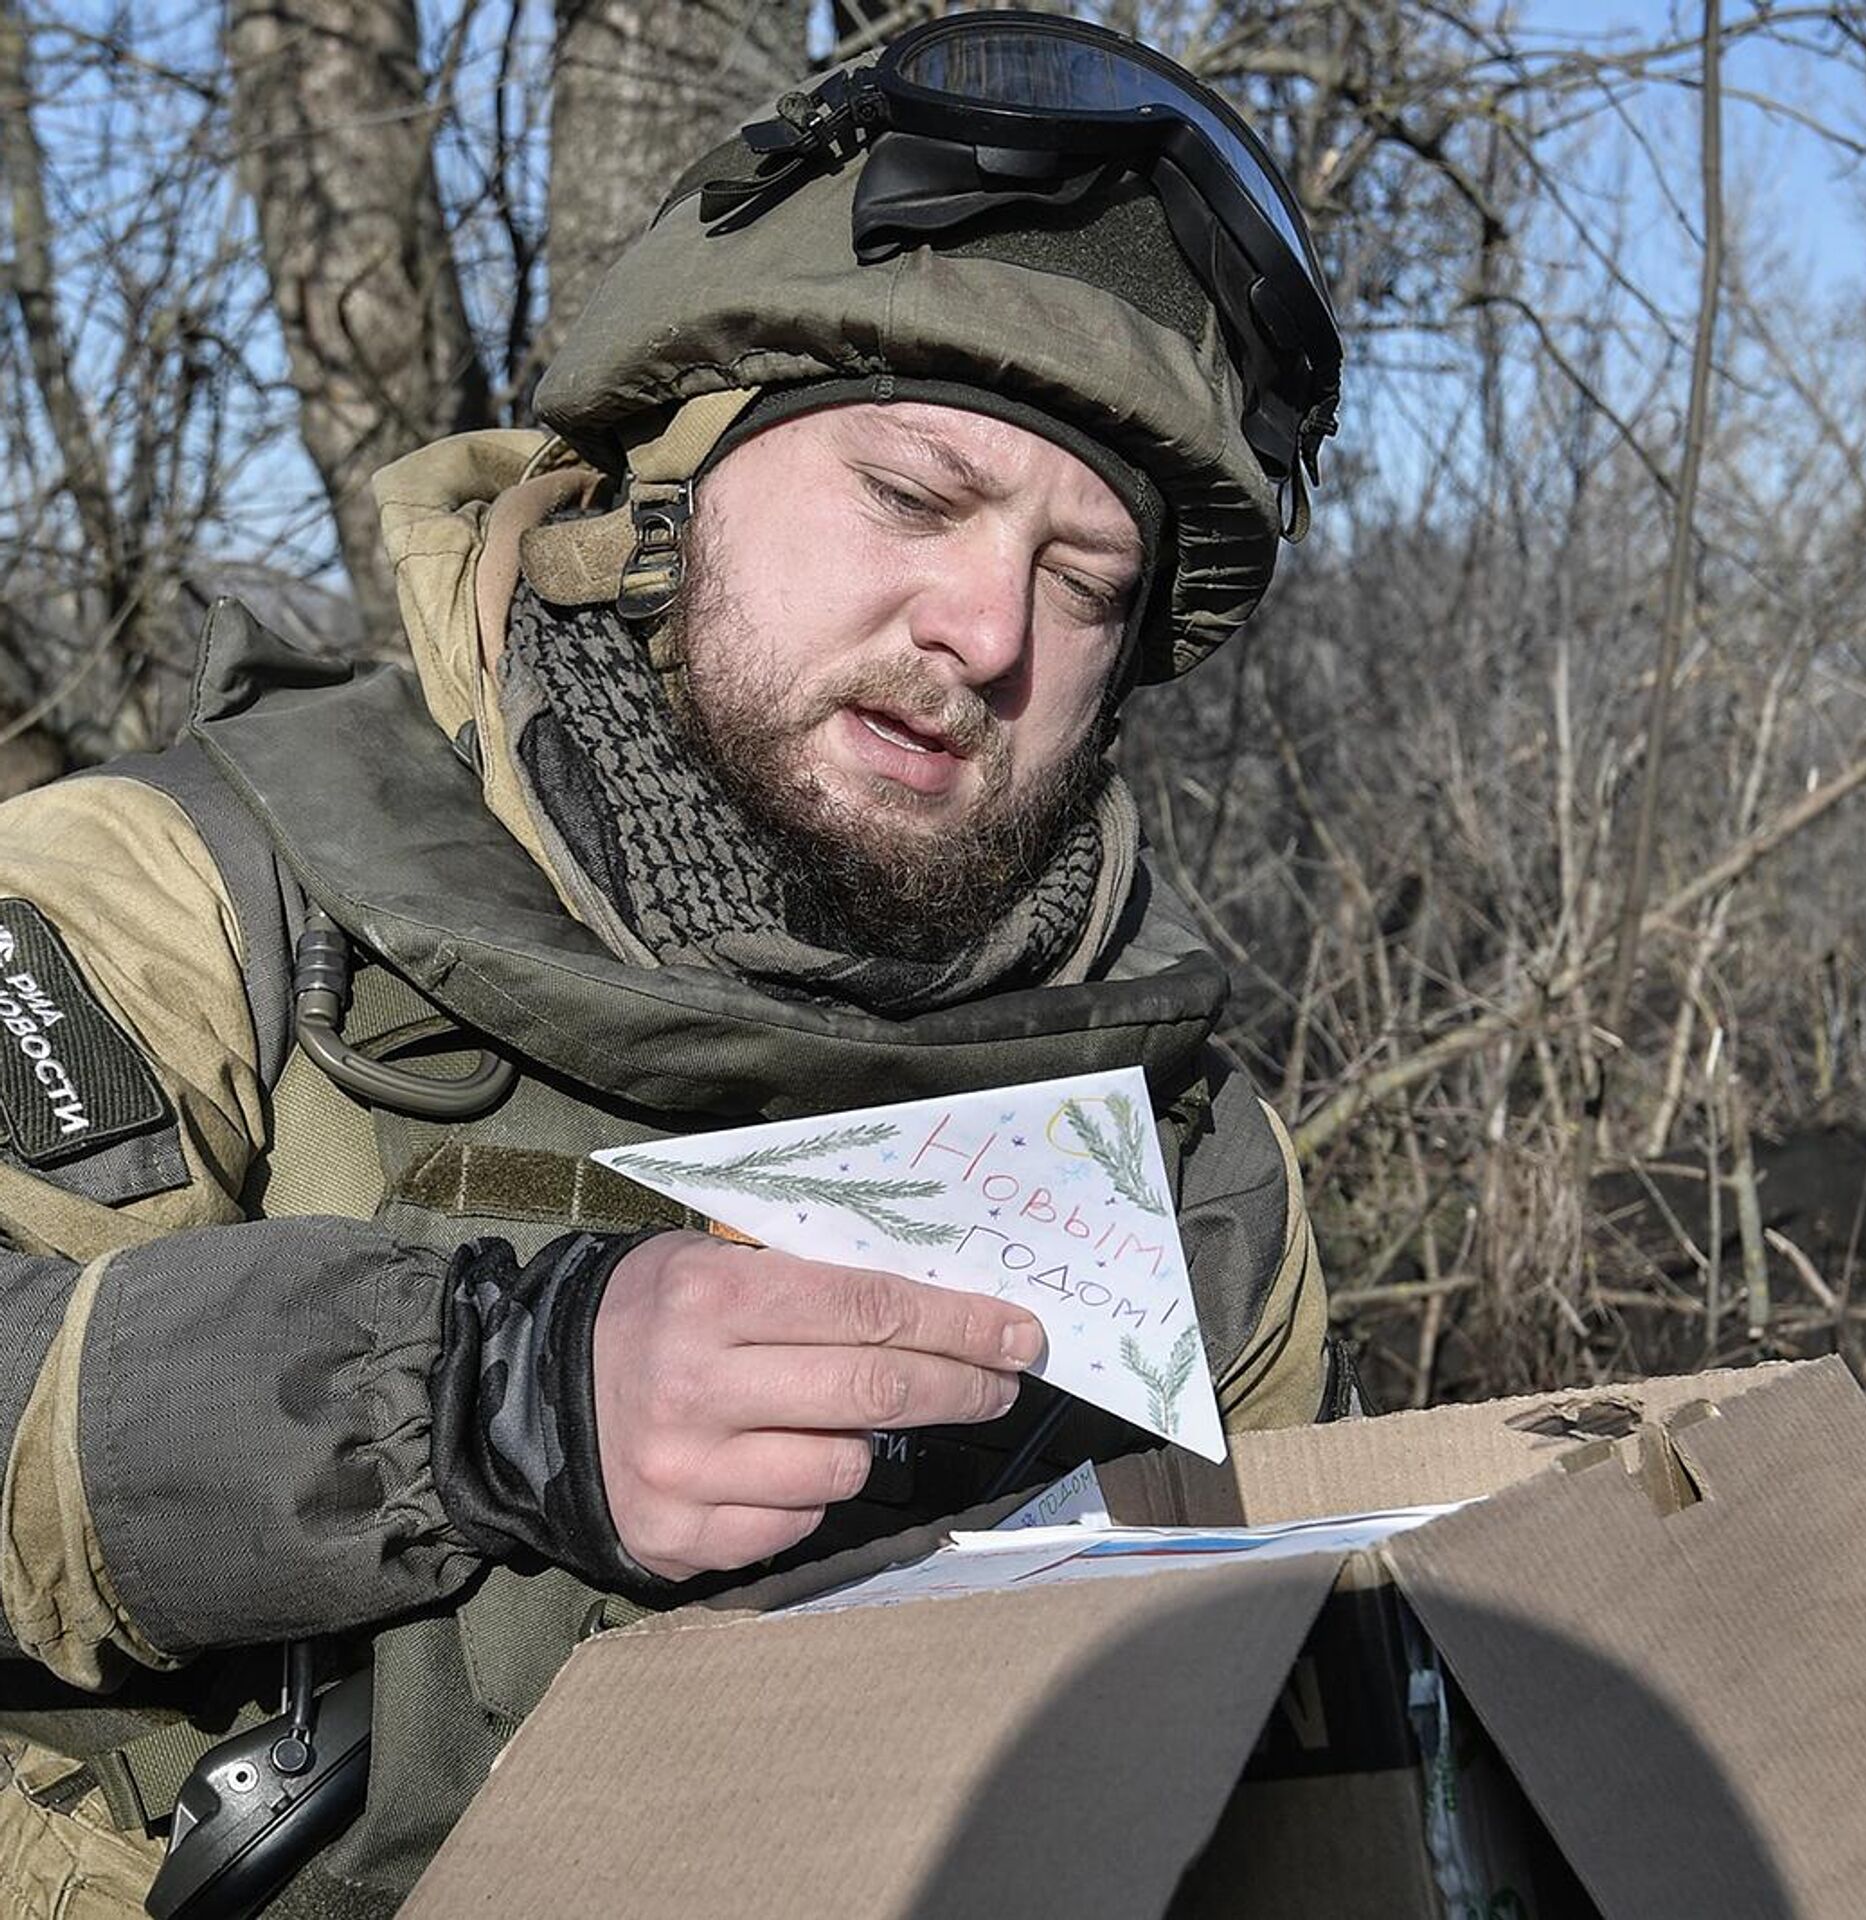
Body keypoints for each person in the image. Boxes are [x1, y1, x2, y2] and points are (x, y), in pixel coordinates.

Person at [0, 14, 1348, 1917]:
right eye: (913, 496)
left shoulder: (1190, 1169)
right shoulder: (195, 903)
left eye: (1084, 581)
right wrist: (476, 1390)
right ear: (665, 485)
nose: (984, 628)